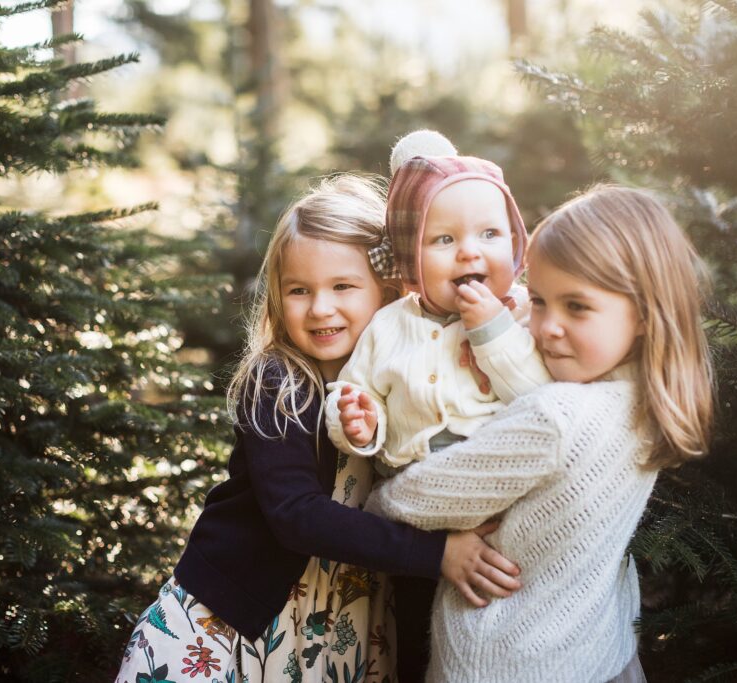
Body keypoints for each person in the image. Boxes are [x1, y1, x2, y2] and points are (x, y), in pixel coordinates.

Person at [113, 174, 521, 683]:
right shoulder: (277, 381)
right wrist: (437, 554)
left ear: (392, 288)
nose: (320, 308)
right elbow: (296, 515)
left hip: (341, 626)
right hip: (232, 626)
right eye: (299, 290)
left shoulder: (408, 384)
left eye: (343, 287)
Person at [367, 184, 716, 683]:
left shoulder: (555, 418)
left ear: (644, 312)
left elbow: (402, 505)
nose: (545, 327)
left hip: (505, 663)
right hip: (603, 652)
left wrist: (382, 492)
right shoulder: (652, 399)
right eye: (539, 301)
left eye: (577, 307)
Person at [324, 130, 552, 680]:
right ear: (409, 258)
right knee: (418, 648)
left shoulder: (518, 315)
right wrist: (357, 423)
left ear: (516, 247)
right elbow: (351, 394)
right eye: (444, 240)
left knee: (500, 638)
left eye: (490, 234)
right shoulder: (389, 325)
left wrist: (491, 330)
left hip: (504, 523)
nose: (471, 251)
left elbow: (541, 400)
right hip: (417, 530)